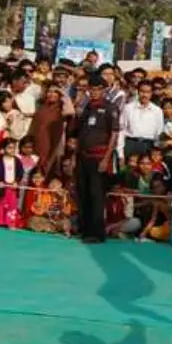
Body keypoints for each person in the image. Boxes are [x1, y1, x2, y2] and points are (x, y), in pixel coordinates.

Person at [74, 75, 119, 244]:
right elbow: (80, 133)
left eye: (97, 88)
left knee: (96, 194)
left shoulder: (110, 107)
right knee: (83, 193)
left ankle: (97, 232)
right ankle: (85, 230)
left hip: (99, 156)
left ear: (104, 89)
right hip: (83, 156)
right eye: (91, 89)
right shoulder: (87, 107)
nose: (94, 92)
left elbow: (114, 134)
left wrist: (106, 159)